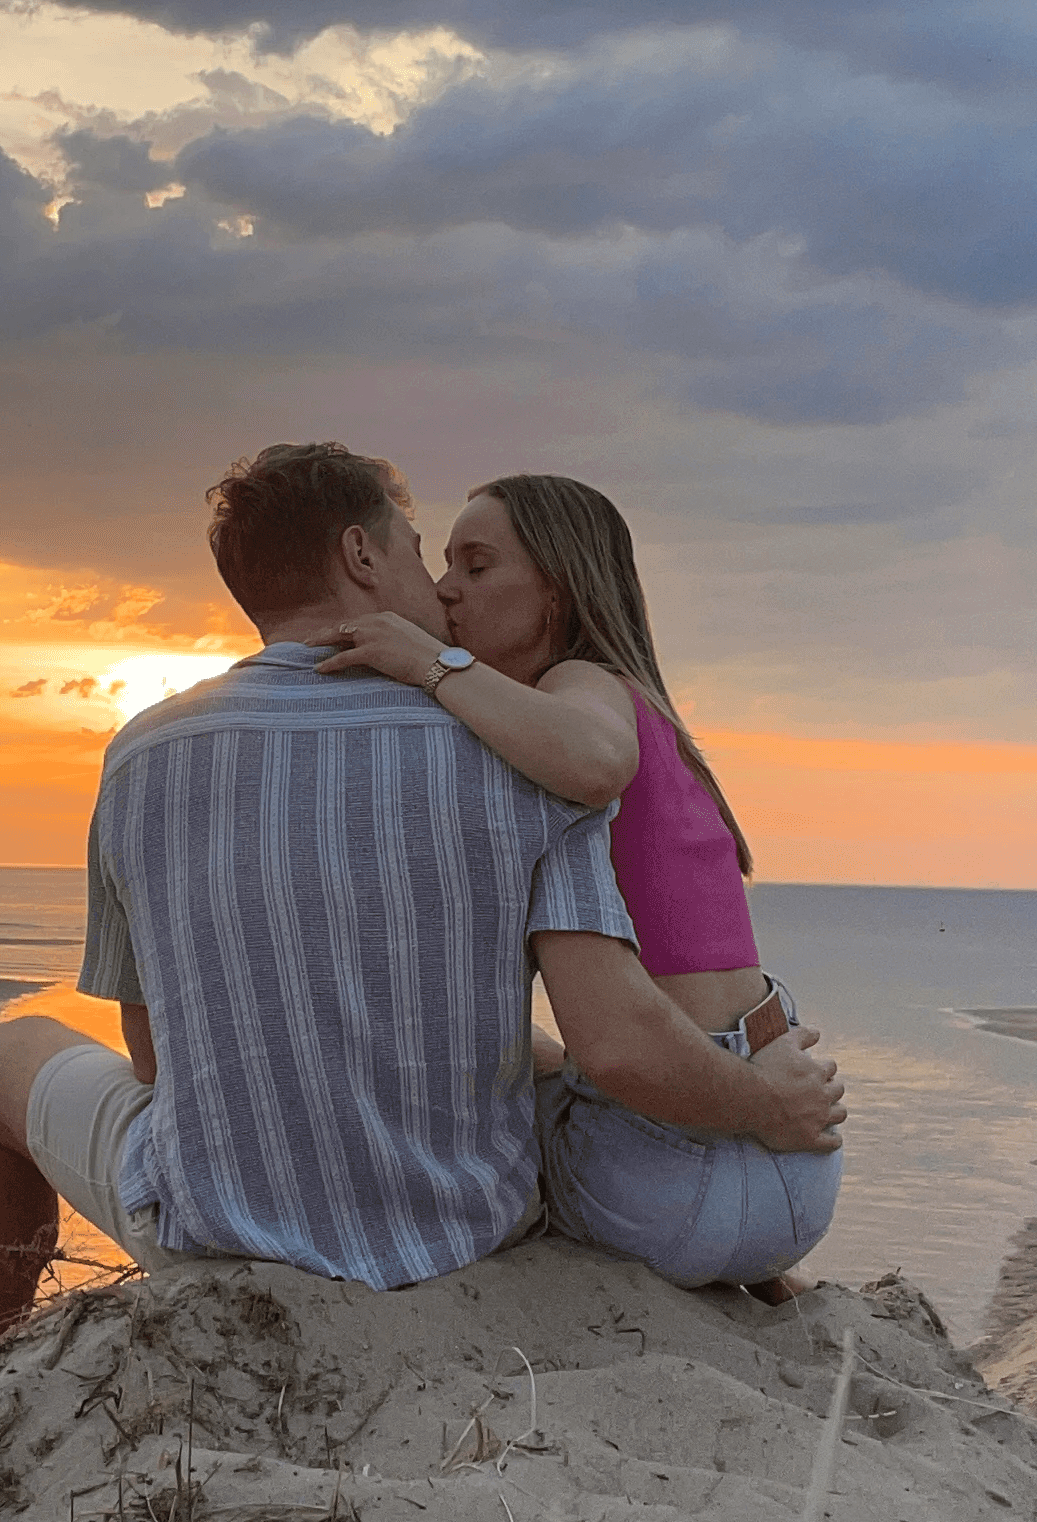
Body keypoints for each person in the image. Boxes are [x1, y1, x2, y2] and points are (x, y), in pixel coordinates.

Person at [0, 441, 845, 1352]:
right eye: (420, 549)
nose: (441, 582)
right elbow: (609, 1028)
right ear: (360, 555)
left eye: (467, 562)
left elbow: (150, 1058)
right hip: (468, 1229)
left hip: (221, 1229)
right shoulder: (520, 750)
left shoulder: (140, 754)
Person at [316, 471, 843, 1291]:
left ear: (556, 591)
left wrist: (429, 661)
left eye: (478, 565)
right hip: (793, 1184)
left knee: (419, 1095)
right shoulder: (648, 711)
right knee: (535, 1055)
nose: (449, 588)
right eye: (447, 562)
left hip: (672, 1173)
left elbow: (595, 761)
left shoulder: (582, 687)